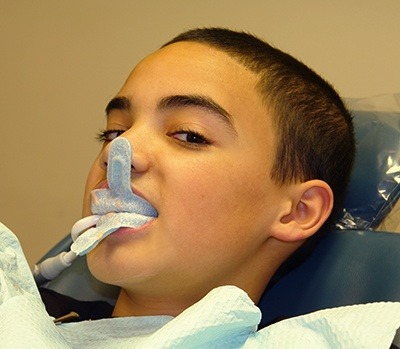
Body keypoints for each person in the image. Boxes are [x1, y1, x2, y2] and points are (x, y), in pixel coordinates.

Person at [72, 27, 355, 317]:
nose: (117, 151)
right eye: (114, 131)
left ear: (298, 211)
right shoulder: (33, 315)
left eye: (189, 135)